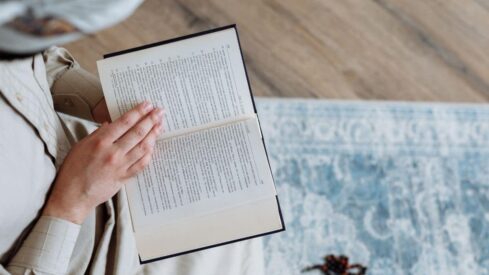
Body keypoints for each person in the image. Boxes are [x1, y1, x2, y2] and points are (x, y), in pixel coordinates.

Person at [0, 1, 264, 274]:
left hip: (107, 159)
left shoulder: (20, 22)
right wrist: (72, 202)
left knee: (239, 194)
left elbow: (32, 56)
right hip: (84, 257)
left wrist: (102, 103)